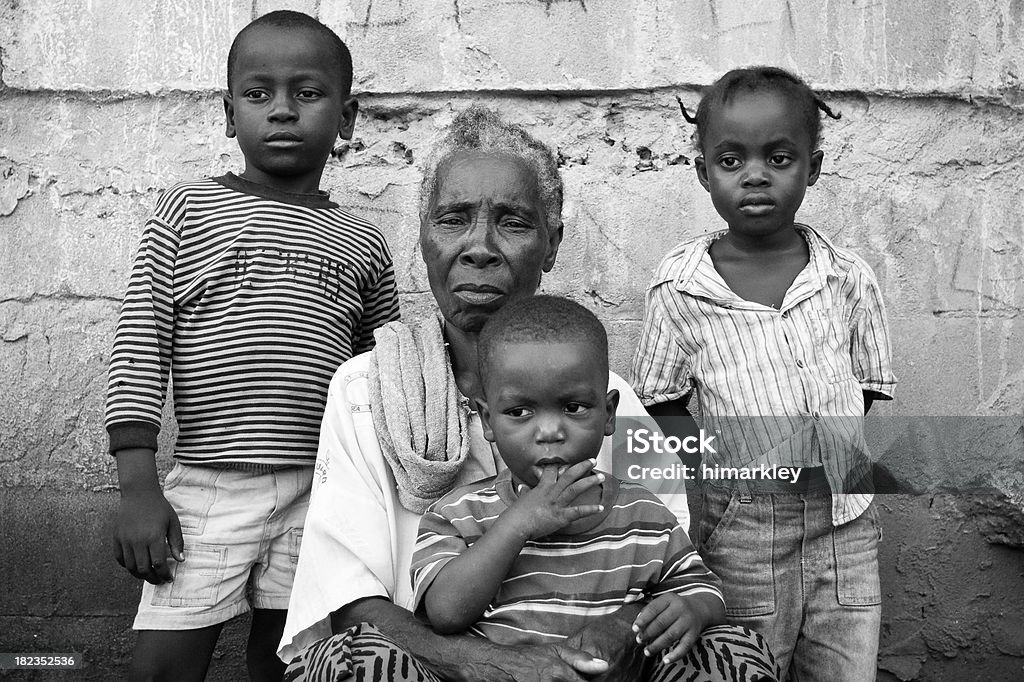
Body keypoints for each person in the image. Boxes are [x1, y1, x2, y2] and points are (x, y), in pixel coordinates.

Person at [281, 106, 779, 681]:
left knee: (733, 654)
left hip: (594, 669)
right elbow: (348, 599)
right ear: (423, 241)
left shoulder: (611, 400)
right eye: (453, 220)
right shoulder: (366, 391)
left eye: (513, 222)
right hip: (432, 667)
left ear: (552, 244)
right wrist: (502, 665)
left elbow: (670, 574)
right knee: (347, 662)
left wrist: (619, 633)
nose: (479, 248)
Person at [105, 11, 400, 681]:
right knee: (163, 666)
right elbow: (139, 344)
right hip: (208, 489)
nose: (283, 111)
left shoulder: (363, 243)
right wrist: (137, 488)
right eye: (259, 93)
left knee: (291, 663)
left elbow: (379, 380)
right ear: (229, 113)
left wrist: (375, 498)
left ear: (346, 116)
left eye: (308, 92)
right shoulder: (187, 210)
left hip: (319, 494)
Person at [630, 66, 896, 681]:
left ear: (813, 167)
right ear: (703, 172)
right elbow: (661, 399)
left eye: (779, 157)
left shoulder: (846, 277)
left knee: (846, 667)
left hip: (846, 526)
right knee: (746, 666)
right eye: (730, 160)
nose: (755, 175)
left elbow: (873, 383)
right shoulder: (680, 286)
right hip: (744, 533)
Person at [412, 294, 735, 680]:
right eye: (519, 412)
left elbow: (704, 590)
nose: (550, 431)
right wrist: (518, 524)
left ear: (609, 414)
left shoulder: (645, 517)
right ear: (487, 420)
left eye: (574, 407)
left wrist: (692, 609)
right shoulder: (458, 515)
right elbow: (444, 613)